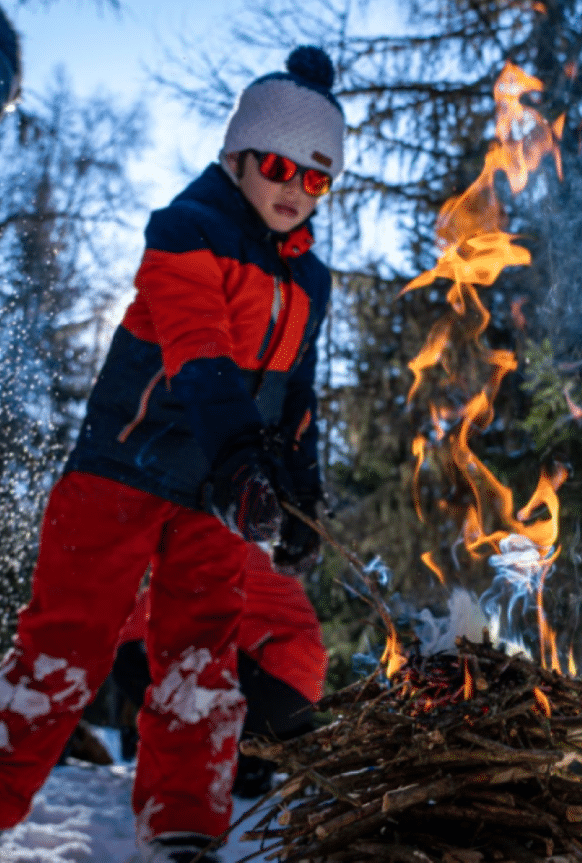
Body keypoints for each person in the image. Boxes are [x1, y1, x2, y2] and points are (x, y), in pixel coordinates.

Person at [0, 45, 343, 863]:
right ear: (236, 157)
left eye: (316, 179)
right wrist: (239, 462)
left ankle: (184, 822)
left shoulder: (310, 281)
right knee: (65, 648)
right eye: (277, 166)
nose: (294, 190)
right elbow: (199, 354)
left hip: (213, 498)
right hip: (119, 472)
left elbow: (294, 397)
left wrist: (298, 495)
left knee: (202, 656)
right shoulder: (185, 231)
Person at [113, 544, 328, 799]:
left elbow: (140, 621)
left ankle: (213, 755)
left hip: (270, 682)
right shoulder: (246, 551)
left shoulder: (208, 550)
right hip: (298, 696)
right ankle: (251, 757)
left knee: (130, 657)